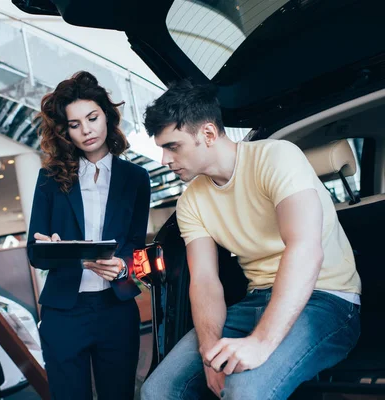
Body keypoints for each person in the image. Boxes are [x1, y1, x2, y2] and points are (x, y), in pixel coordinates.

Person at [140, 81, 361, 399]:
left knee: (244, 390)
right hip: (254, 301)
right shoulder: (191, 201)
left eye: (172, 146)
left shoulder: (277, 157)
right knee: (158, 390)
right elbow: (204, 280)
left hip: (327, 300)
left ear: (209, 134)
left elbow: (305, 248)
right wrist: (209, 349)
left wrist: (261, 342)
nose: (163, 159)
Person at [26, 71, 151, 400]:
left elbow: (135, 246)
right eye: (75, 124)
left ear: (107, 116)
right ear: (65, 130)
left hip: (116, 309)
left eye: (92, 118)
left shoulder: (136, 178)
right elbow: (34, 253)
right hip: (64, 312)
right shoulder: (50, 179)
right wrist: (51, 249)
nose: (86, 130)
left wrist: (123, 268)